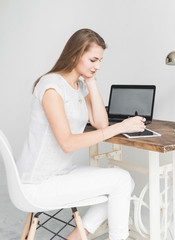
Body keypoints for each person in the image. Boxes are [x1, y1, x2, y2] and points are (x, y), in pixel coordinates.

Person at [16, 28, 145, 240]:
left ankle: (74, 237)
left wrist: (91, 82)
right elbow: (67, 143)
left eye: (100, 61)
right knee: (121, 181)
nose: (98, 66)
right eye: (93, 60)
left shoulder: (78, 85)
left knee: (125, 182)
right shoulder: (51, 87)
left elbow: (100, 122)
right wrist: (121, 126)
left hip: (60, 171)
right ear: (75, 54)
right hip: (38, 182)